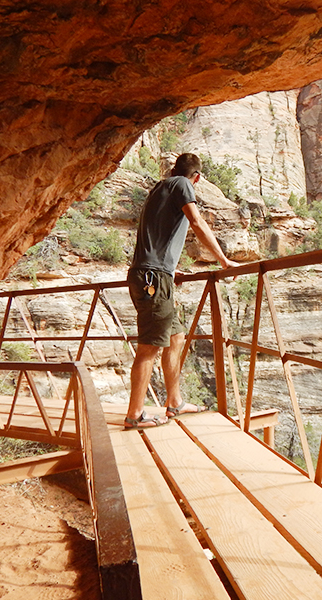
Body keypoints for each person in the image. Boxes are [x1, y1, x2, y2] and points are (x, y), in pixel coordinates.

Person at [124, 152, 238, 429]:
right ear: (196, 177)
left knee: (175, 337)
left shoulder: (158, 189)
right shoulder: (182, 185)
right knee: (149, 348)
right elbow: (197, 222)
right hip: (153, 279)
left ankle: (174, 402)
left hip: (154, 275)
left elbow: (156, 234)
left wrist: (171, 270)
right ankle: (134, 415)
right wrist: (223, 260)